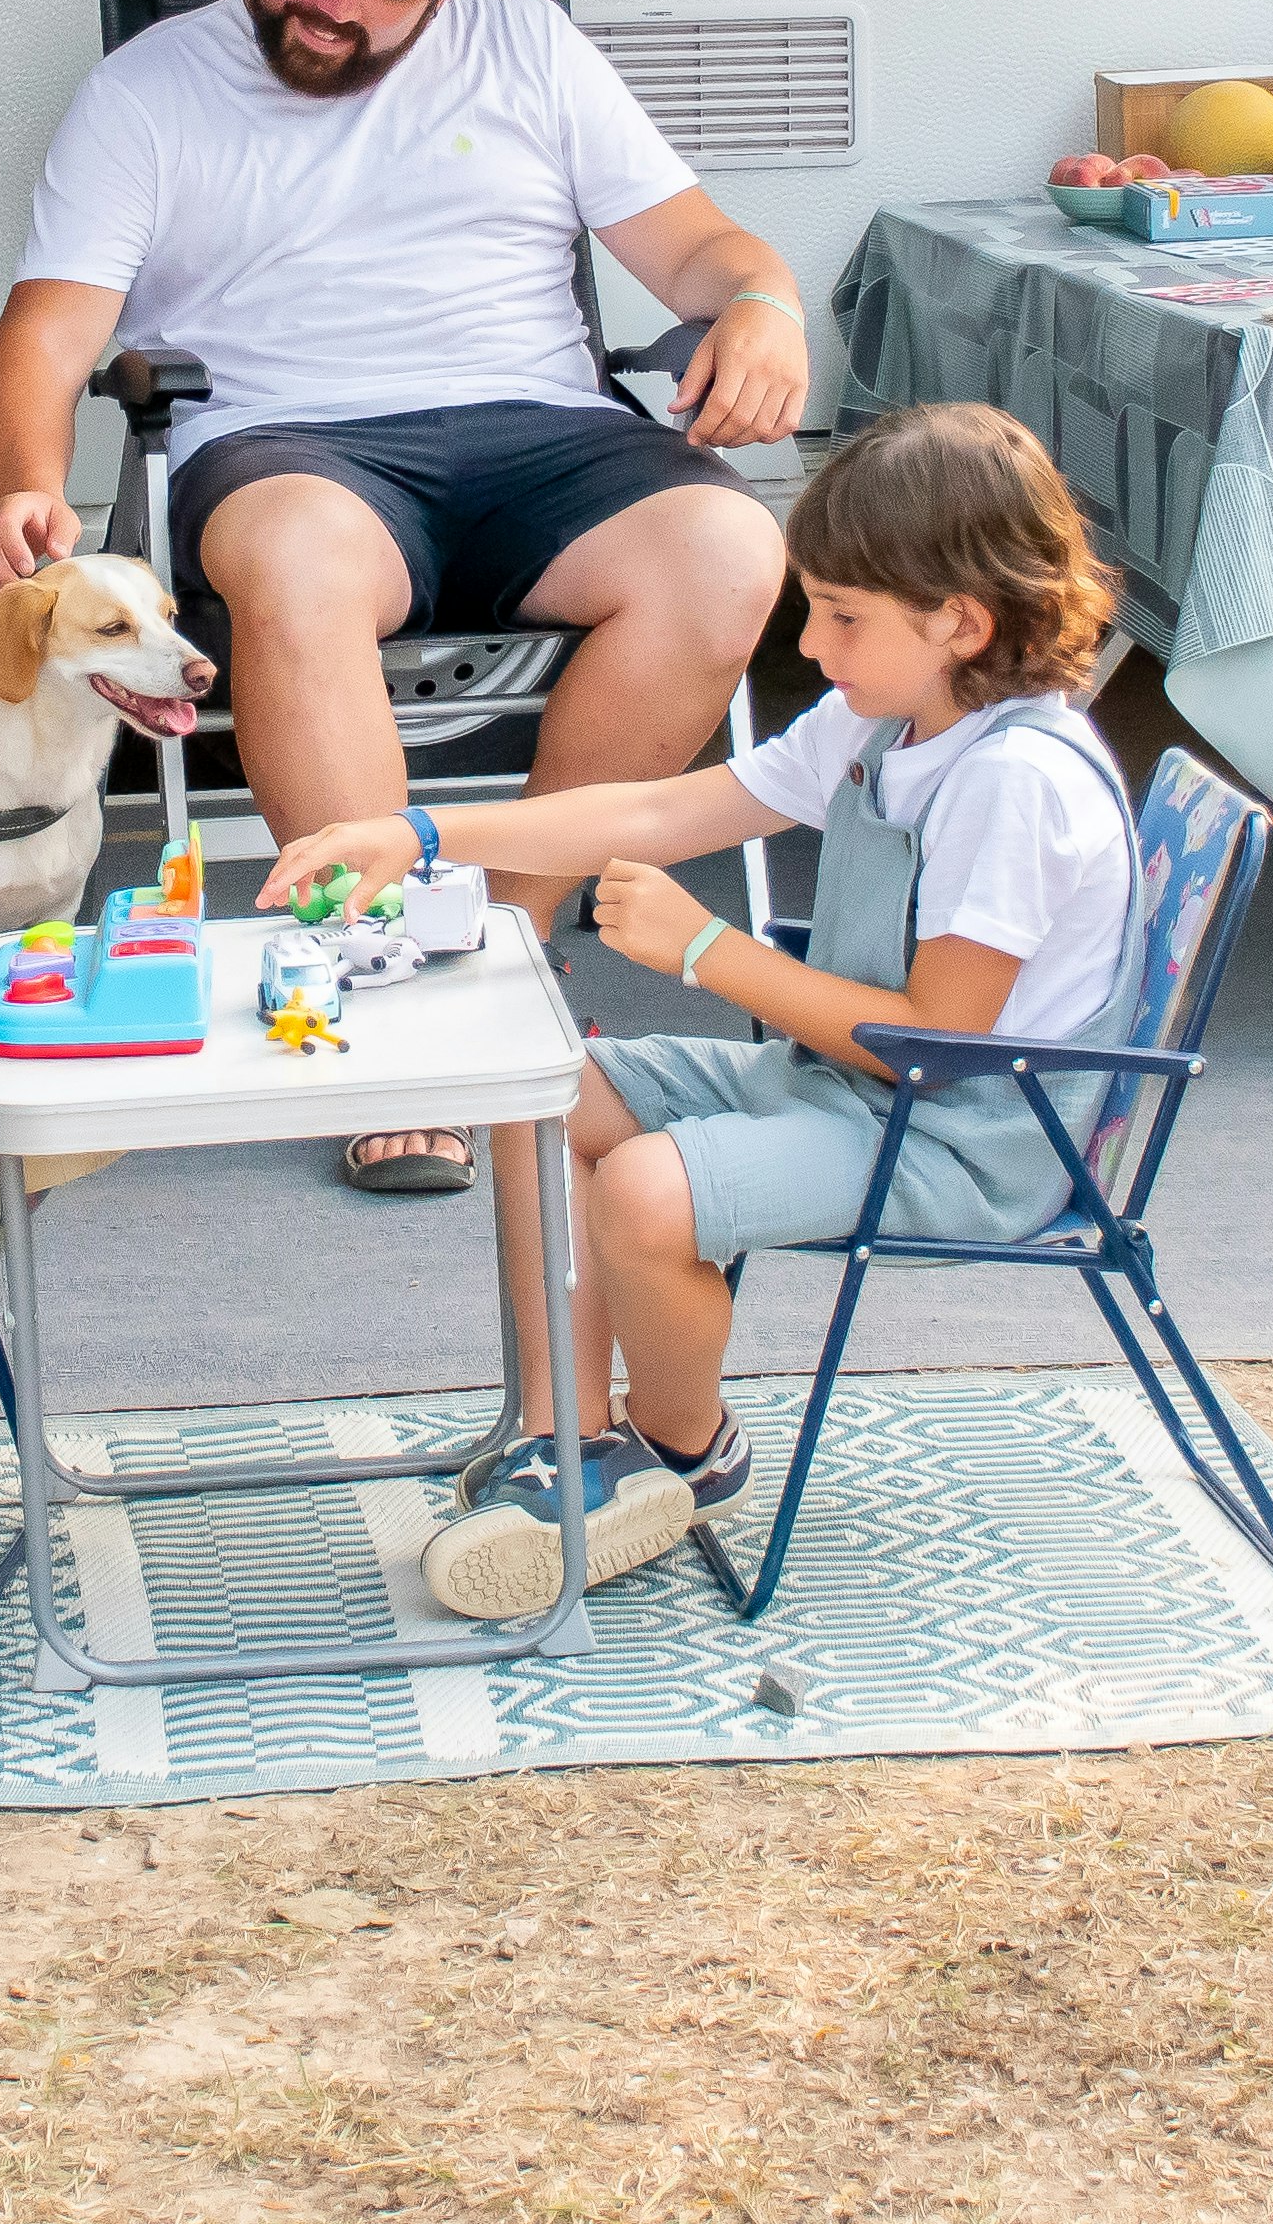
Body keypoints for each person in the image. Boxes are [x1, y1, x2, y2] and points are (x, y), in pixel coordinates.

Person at [0, 0, 805, 1196]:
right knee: (294, 557)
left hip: (540, 430)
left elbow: (701, 250)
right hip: (299, 444)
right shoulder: (150, 88)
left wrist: (763, 302)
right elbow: (46, 333)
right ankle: (396, 978)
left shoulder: (528, 49)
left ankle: (480, 974)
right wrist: (23, 489)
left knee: (725, 551)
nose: (331, 3)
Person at [258, 404, 1141, 1617]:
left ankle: (682, 1454)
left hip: (968, 1142)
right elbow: (660, 814)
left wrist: (707, 949)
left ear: (960, 622)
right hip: (849, 1090)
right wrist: (412, 831)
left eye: (841, 616)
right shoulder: (896, 711)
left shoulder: (1014, 784)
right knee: (536, 1086)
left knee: (646, 1187)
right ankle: (569, 1438)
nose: (811, 642)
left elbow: (937, 1042)